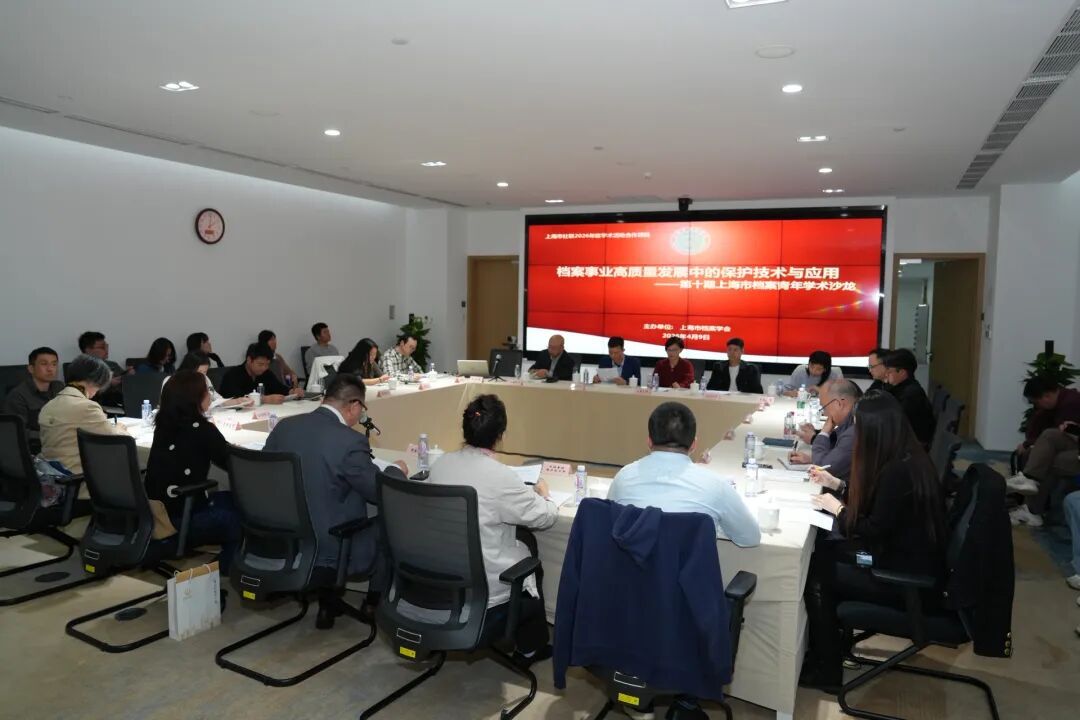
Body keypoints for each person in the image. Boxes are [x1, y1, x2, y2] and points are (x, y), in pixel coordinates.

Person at [800, 390, 946, 690]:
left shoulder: (897, 471)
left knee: (816, 576)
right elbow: (881, 507)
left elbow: (870, 528)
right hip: (905, 559)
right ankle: (828, 649)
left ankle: (827, 669)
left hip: (903, 578)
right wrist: (838, 484)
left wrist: (837, 508)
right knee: (824, 551)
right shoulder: (907, 456)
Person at [263, 373, 408, 629]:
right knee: (392, 524)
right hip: (332, 548)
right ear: (354, 405)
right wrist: (396, 471)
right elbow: (378, 492)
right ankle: (373, 604)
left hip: (286, 540)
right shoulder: (350, 441)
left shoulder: (284, 427)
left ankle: (328, 604)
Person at [429, 393, 559, 665]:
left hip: (441, 573)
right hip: (484, 586)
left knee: (521, 539)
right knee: (529, 556)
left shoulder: (440, 464)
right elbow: (544, 518)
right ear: (500, 435)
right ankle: (530, 647)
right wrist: (545, 495)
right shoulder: (500, 477)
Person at [609, 401, 761, 547]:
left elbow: (608, 524)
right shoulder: (715, 486)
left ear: (649, 441)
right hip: (690, 566)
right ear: (694, 444)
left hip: (632, 565)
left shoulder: (624, 478)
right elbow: (750, 537)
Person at [145, 370, 241, 572]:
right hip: (182, 516)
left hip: (156, 513)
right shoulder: (202, 429)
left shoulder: (163, 425)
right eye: (207, 391)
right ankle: (225, 567)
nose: (210, 395)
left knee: (230, 499)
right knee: (244, 513)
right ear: (195, 398)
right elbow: (233, 464)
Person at [1006, 377, 1080, 527]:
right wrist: (1029, 444)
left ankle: (1032, 510)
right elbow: (1040, 427)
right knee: (1047, 439)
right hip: (1073, 446)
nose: (1036, 406)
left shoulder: (1072, 403)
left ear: (1047, 396)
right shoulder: (1059, 402)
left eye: (1036, 402)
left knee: (1045, 461)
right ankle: (1029, 481)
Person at [38, 354, 129, 474]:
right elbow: (116, 441)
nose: (97, 391)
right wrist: (119, 428)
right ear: (95, 381)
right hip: (77, 475)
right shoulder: (87, 407)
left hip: (50, 473)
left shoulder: (49, 405)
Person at [790, 379, 863, 483]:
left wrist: (824, 433)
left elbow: (823, 469)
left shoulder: (854, 431)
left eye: (824, 407)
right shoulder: (853, 420)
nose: (825, 414)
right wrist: (811, 458)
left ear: (839, 404)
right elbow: (837, 456)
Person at [2, 347, 64, 448]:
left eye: (54, 364)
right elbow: (17, 432)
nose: (50, 369)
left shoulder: (60, 387)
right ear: (31, 369)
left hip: (62, 442)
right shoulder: (17, 396)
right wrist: (51, 436)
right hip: (36, 447)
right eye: (44, 364)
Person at [882, 348, 935, 448]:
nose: (886, 374)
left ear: (902, 372)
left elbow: (896, 423)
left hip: (912, 446)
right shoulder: (902, 388)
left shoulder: (911, 395)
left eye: (889, 371)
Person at [219, 343, 304, 403]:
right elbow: (235, 397)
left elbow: (279, 388)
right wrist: (264, 399)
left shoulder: (266, 373)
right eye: (260, 364)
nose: (264, 368)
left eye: (267, 364)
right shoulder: (233, 375)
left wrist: (292, 392)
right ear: (249, 360)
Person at [166, 352, 250, 409]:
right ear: (189, 369)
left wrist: (238, 401)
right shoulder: (172, 381)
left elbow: (217, 399)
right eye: (200, 372)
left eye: (205, 372)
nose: (203, 375)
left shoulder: (205, 379)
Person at [78, 330, 128, 405]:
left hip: (122, 403)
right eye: (102, 347)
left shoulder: (113, 365)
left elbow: (128, 385)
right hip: (97, 406)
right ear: (88, 350)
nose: (106, 350)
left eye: (106, 346)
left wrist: (130, 376)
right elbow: (83, 393)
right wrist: (108, 384)